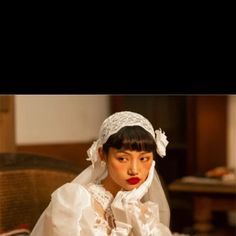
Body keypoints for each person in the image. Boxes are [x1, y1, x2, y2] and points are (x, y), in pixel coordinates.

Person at [30, 111, 172, 236]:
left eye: (144, 158)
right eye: (123, 158)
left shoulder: (140, 209)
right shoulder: (74, 200)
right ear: (102, 154)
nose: (134, 170)